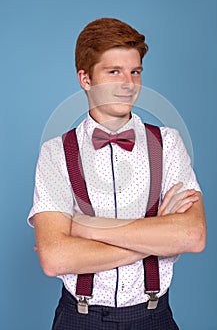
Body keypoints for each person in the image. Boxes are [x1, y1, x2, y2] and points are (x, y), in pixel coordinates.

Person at [28, 18, 206, 330]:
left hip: (153, 317)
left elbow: (192, 235)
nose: (129, 83)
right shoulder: (56, 153)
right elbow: (55, 257)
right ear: (85, 79)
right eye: (114, 72)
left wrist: (83, 229)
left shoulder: (169, 143)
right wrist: (156, 235)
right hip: (79, 319)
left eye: (135, 71)